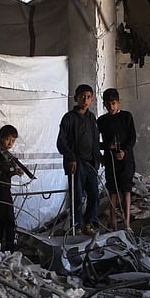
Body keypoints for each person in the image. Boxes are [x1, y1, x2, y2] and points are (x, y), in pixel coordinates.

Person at [56, 84, 102, 235]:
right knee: (77, 196)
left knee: (94, 194)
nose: (85, 100)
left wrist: (98, 158)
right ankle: (77, 227)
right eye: (82, 96)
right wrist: (71, 158)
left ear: (92, 99)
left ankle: (88, 224)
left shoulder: (91, 118)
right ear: (76, 98)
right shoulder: (69, 118)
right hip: (76, 163)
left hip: (91, 163)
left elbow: (95, 140)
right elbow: (61, 142)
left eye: (88, 97)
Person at [96, 88, 136, 230]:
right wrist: (105, 149)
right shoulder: (101, 121)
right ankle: (113, 222)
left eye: (113, 103)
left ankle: (127, 223)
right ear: (104, 104)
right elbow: (94, 141)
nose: (111, 107)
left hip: (126, 160)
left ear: (119, 102)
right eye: (108, 104)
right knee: (112, 190)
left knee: (126, 189)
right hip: (110, 160)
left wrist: (125, 151)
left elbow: (132, 138)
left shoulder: (126, 117)